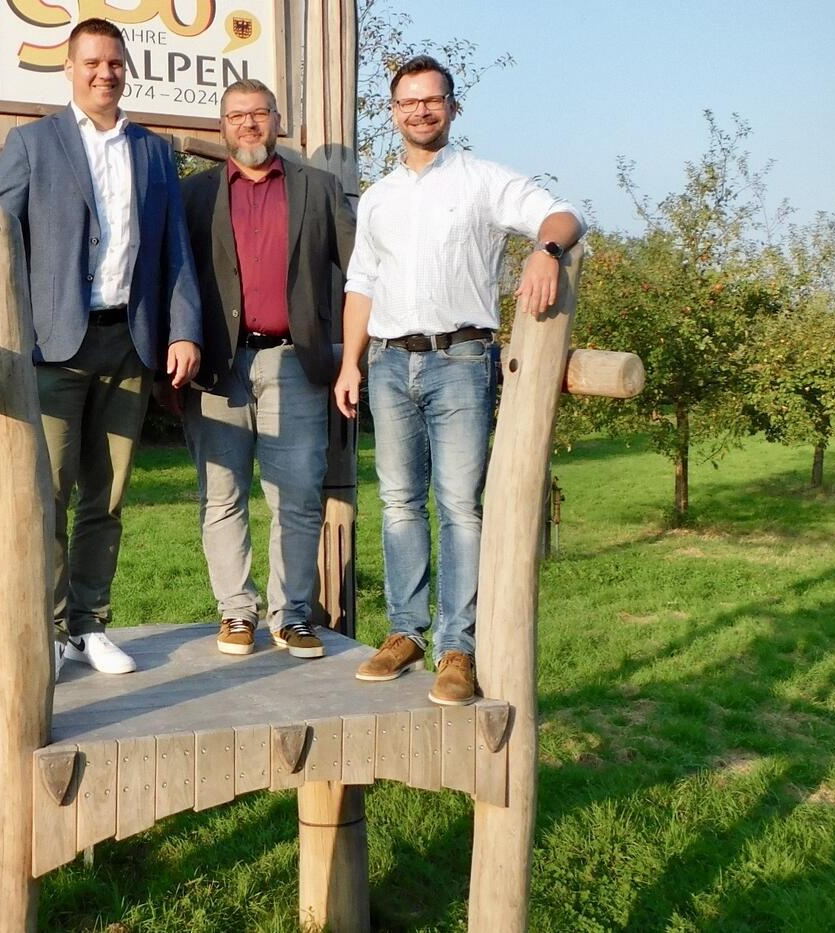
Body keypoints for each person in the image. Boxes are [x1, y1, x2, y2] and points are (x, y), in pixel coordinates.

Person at [333, 55, 584, 706]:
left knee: (459, 506)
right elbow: (362, 281)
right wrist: (350, 362)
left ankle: (457, 648)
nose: (420, 110)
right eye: (408, 102)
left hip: (461, 361)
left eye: (432, 99)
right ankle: (405, 633)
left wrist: (545, 251)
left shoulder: (482, 180)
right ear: (392, 113)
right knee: (398, 503)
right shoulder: (379, 197)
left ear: (452, 106)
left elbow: (562, 214)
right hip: (388, 362)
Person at [0, 18, 202, 676]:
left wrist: (184, 328)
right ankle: (49, 630)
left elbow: (174, 250)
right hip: (54, 346)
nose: (105, 72)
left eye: (114, 62)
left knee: (106, 498)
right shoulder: (31, 143)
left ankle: (89, 624)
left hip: (129, 343)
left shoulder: (154, 152)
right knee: (48, 495)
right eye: (92, 62)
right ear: (69, 67)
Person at [175, 78, 354, 659]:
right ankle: (236, 612)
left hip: (294, 363)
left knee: (297, 498)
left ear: (277, 121)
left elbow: (360, 272)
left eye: (259, 114)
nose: (248, 124)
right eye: (237, 116)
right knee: (221, 495)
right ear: (222, 126)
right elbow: (172, 277)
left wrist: (352, 354)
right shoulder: (193, 195)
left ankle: (293, 615)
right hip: (216, 368)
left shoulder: (318, 189)